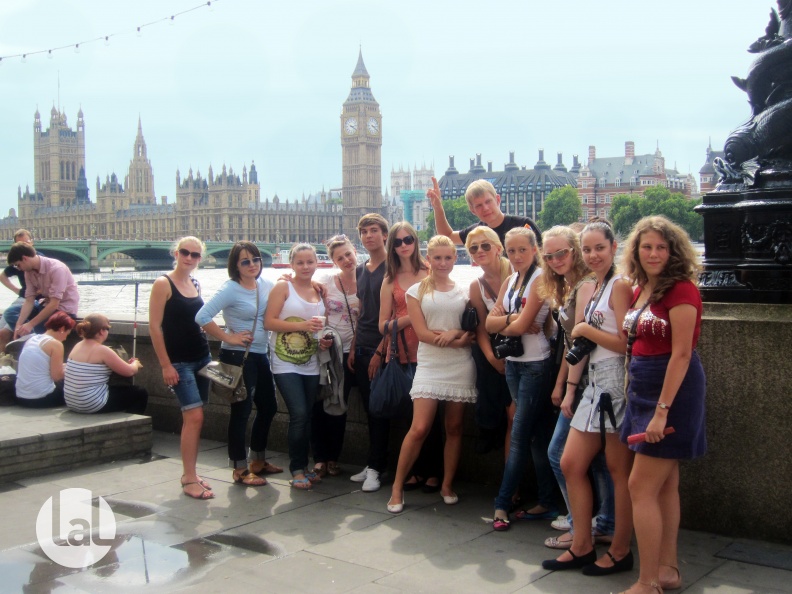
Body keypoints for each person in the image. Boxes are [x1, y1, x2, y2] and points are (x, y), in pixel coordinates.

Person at [619, 216, 706, 594]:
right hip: (643, 386)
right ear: (636, 251)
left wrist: (662, 410)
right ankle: (667, 570)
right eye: (646, 246)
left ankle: (647, 581)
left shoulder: (681, 290)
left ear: (673, 252)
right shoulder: (642, 289)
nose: (653, 253)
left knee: (640, 486)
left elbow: (682, 354)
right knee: (665, 485)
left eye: (661, 247)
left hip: (672, 391)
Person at [543, 220, 635, 576]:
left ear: (614, 247)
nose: (593, 255)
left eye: (599, 247)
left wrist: (585, 329)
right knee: (570, 463)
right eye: (587, 249)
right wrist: (569, 390)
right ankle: (581, 543)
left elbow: (628, 344)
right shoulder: (589, 288)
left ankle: (619, 549)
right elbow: (578, 347)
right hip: (592, 383)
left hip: (615, 381)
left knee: (617, 470)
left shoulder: (620, 286)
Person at [537, 226, 615, 550]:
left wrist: (568, 389)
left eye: (563, 252)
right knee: (596, 460)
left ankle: (580, 523)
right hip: (580, 380)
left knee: (558, 454)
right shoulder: (573, 286)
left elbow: (580, 341)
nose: (557, 260)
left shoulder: (584, 287)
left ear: (574, 250)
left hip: (589, 383)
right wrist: (559, 383)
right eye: (550, 255)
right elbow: (570, 341)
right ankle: (603, 522)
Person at [387, 235, 476, 513]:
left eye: (448, 257)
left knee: (454, 428)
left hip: (460, 364)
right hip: (430, 364)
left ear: (455, 258)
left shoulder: (464, 292)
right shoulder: (416, 291)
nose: (442, 262)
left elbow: (472, 328)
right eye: (436, 258)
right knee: (420, 428)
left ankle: (447, 484)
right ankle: (397, 487)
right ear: (429, 259)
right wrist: (457, 338)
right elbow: (422, 333)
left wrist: (456, 335)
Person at [484, 226, 556, 530]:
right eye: (511, 251)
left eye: (522, 250)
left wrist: (508, 321)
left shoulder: (540, 279)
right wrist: (513, 320)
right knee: (537, 436)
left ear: (534, 250)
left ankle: (502, 504)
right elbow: (490, 324)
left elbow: (513, 323)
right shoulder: (511, 280)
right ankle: (548, 501)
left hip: (536, 363)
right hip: (513, 363)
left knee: (519, 435)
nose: (516, 256)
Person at [196, 241, 280, 487]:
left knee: (269, 406)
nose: (252, 265)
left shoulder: (266, 284)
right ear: (235, 265)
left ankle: (258, 460)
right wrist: (228, 337)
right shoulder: (230, 289)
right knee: (241, 412)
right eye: (245, 261)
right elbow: (201, 316)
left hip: (260, 354)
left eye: (256, 259)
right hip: (237, 356)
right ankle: (239, 468)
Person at [378, 222, 442, 493]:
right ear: (391, 246)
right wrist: (411, 317)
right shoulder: (389, 281)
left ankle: (433, 472)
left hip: (431, 353)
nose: (404, 245)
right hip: (404, 353)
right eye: (398, 242)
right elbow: (382, 325)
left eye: (409, 240)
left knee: (434, 420)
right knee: (410, 419)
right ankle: (415, 471)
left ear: (416, 242)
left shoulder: (430, 272)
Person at [149, 236, 214, 500]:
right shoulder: (163, 283)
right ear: (176, 253)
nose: (189, 258)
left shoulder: (195, 283)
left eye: (195, 255)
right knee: (194, 417)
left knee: (195, 418)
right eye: (185, 253)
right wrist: (165, 365)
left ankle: (192, 472)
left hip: (202, 357)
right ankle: (188, 477)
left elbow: (200, 322)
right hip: (179, 362)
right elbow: (154, 327)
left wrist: (230, 336)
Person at [264, 243, 331, 490]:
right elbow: (268, 322)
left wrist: (323, 340)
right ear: (291, 264)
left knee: (309, 416)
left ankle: (306, 465)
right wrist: (302, 326)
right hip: (284, 363)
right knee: (299, 414)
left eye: (310, 262)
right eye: (300, 262)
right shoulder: (283, 287)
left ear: (317, 263)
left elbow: (321, 327)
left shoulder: (318, 290)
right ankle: (297, 469)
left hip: (311, 362)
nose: (305, 266)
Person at [310, 235, 360, 478]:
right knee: (321, 404)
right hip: (328, 351)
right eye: (339, 257)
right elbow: (298, 286)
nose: (346, 260)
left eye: (348, 254)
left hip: (353, 351)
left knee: (340, 405)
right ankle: (319, 458)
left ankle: (333, 458)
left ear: (355, 252)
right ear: (332, 261)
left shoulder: (369, 279)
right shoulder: (325, 280)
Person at [348, 213, 390, 493]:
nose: (368, 236)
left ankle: (376, 468)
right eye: (363, 232)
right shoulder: (361, 270)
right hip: (361, 347)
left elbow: (398, 312)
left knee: (379, 411)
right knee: (368, 410)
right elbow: (362, 311)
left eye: (373, 230)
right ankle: (374, 463)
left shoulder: (394, 267)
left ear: (385, 235)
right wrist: (353, 347)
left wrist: (379, 351)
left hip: (382, 349)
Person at [465, 227, 513, 455]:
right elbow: (481, 328)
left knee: (515, 417)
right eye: (474, 248)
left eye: (485, 245)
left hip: (526, 351)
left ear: (498, 248)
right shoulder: (476, 286)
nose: (480, 250)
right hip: (496, 349)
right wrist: (492, 358)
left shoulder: (516, 273)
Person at [64, 313, 148, 414]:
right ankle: (131, 426)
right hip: (91, 403)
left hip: (71, 402)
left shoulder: (77, 345)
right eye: (107, 329)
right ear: (101, 331)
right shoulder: (102, 350)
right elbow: (129, 371)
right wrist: (135, 363)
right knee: (140, 393)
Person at [427, 177, 542, 247]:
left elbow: (544, 257)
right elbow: (447, 236)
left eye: (488, 202)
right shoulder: (477, 232)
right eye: (479, 205)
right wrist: (437, 206)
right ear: (472, 210)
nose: (485, 208)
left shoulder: (523, 225)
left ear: (497, 199)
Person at [6, 242, 79, 339]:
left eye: (18, 265)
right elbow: (29, 300)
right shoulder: (28, 272)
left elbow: (54, 304)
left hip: (63, 309)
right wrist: (18, 325)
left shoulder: (57, 269)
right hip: (45, 304)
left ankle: (32, 339)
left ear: (25, 258)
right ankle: (31, 338)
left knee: (38, 326)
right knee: (10, 313)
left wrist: (30, 324)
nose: (19, 269)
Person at [14, 311, 76, 408]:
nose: (65, 339)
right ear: (62, 329)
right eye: (67, 334)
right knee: (75, 384)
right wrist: (74, 368)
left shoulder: (32, 339)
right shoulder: (55, 344)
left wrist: (64, 366)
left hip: (21, 397)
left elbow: (43, 366)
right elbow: (57, 376)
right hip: (42, 399)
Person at [0, 229, 35, 353]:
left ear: (32, 242)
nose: (23, 247)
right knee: (1, 332)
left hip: (35, 300)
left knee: (6, 332)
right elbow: (2, 276)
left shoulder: (39, 260)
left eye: (26, 242)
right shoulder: (17, 262)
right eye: (20, 244)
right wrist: (16, 290)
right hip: (23, 298)